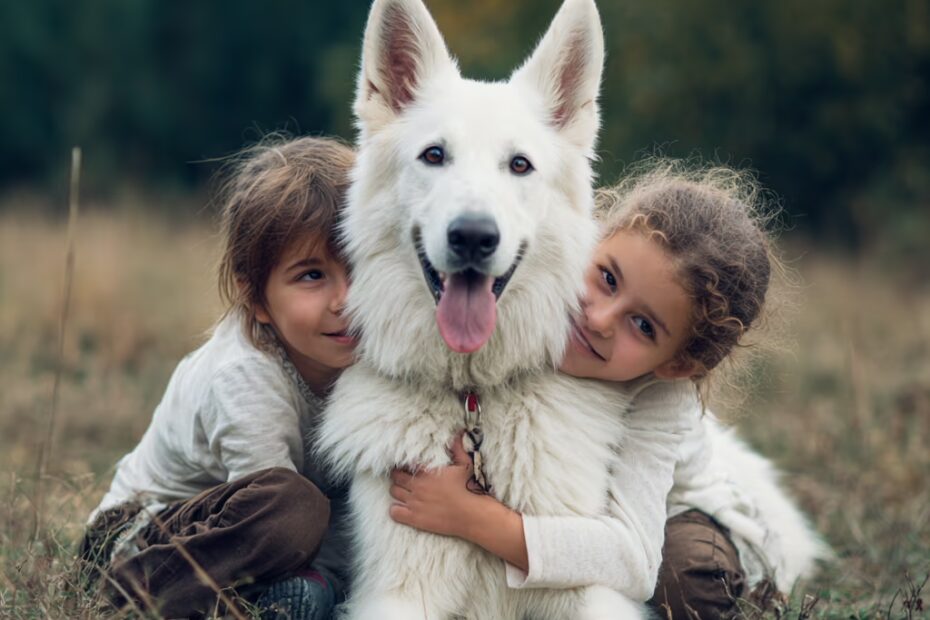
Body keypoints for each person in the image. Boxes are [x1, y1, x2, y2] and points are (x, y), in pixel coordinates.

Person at [388, 160, 798, 618]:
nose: (599, 320)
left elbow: (632, 558)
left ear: (678, 364)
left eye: (642, 326)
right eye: (606, 278)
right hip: (570, 507)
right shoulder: (527, 291)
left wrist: (476, 518)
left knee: (686, 583)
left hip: (670, 512)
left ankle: (752, 568)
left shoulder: (664, 401)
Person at [80, 136, 357, 620]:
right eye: (311, 275)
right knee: (294, 506)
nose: (345, 300)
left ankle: (287, 601)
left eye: (357, 265)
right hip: (141, 543)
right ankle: (122, 599)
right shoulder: (244, 374)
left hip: (264, 560)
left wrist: (327, 583)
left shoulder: (368, 354)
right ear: (254, 299)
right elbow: (280, 525)